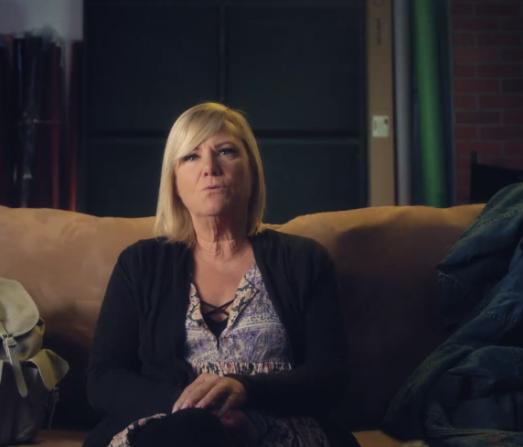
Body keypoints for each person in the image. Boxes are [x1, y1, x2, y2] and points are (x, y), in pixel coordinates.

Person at [83, 102, 361, 447]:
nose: (210, 168)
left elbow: (330, 378)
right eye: (191, 157)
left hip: (276, 432)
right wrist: (191, 407)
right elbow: (104, 380)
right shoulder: (140, 264)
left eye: (225, 151)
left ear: (252, 172)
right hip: (172, 430)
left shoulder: (305, 260)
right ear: (174, 182)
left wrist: (245, 391)